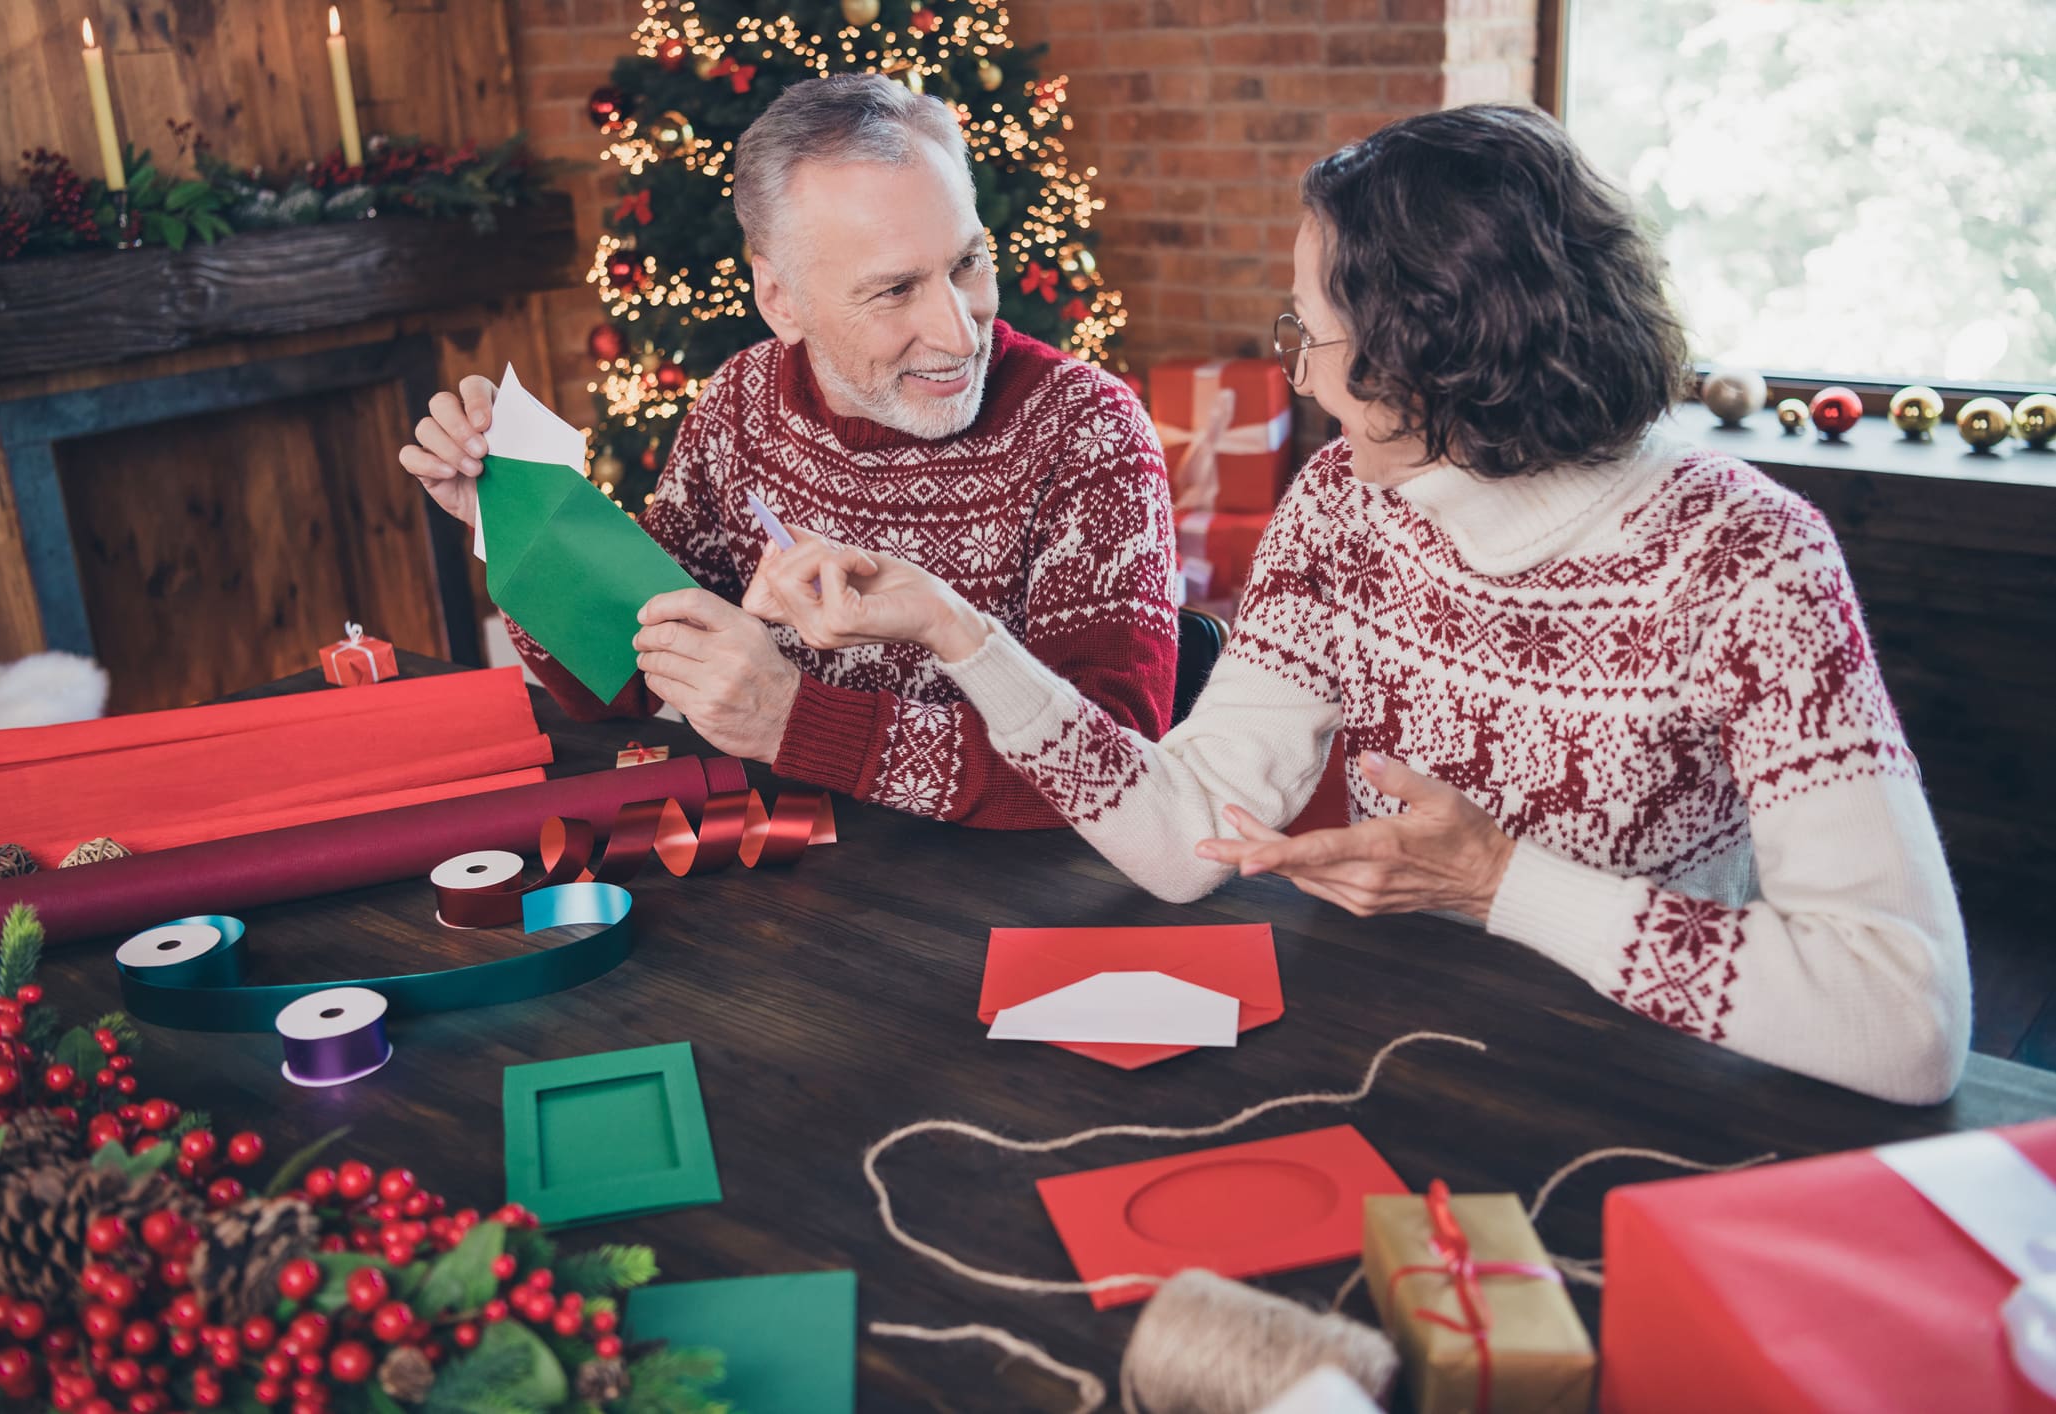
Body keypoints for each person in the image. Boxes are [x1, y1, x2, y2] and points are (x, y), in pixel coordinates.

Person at [742, 104, 1972, 1105]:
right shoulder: (1342, 504)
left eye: (1313, 333)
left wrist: (1500, 884)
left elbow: (1908, 1020)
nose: (1295, 370)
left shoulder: (1750, 558)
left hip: (1647, 1092)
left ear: (1436, 352)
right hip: (1401, 1063)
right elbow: (1185, 840)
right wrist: (961, 633)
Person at [400, 74, 1177, 828]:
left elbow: (1115, 772)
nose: (957, 330)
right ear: (780, 300)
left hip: (1008, 910)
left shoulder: (1089, 429)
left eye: (967, 263)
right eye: (894, 289)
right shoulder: (740, 400)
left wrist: (791, 721)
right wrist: (512, 523)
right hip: (794, 883)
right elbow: (621, 677)